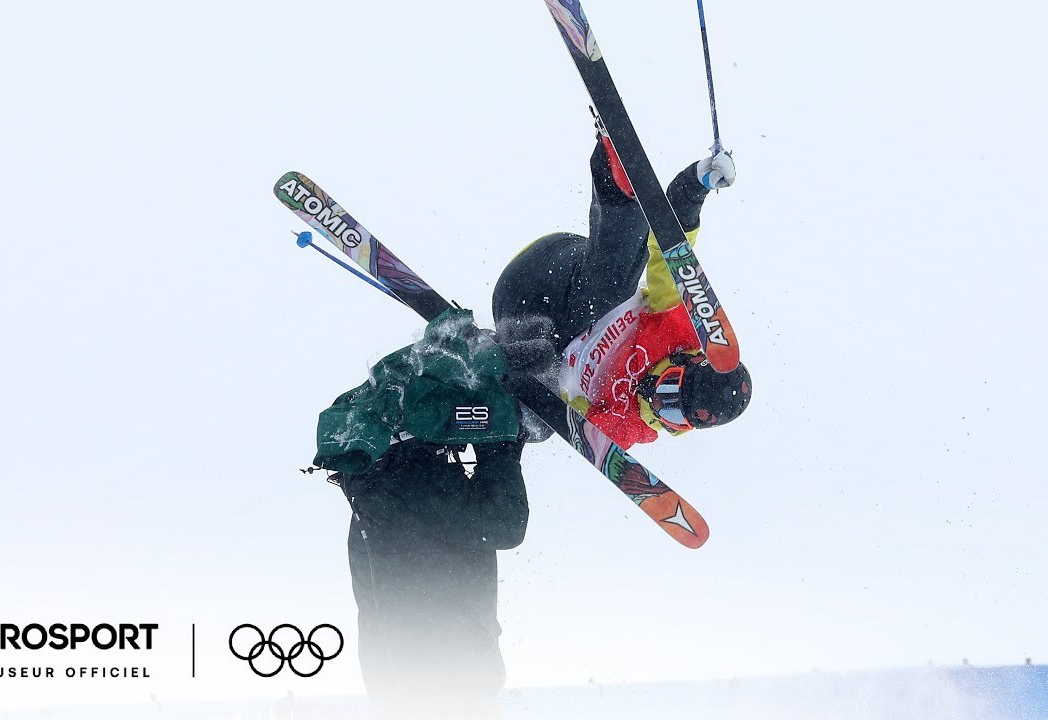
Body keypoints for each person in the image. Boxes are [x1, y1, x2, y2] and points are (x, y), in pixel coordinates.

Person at [313, 310, 531, 719]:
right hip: (388, 484)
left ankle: (469, 374)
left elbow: (501, 525)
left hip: (394, 483)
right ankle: (471, 377)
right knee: (501, 522)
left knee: (503, 522)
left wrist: (504, 435)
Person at [492, 119, 751, 449]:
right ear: (686, 362)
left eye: (670, 414)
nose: (658, 403)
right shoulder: (679, 328)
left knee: (540, 416)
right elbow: (670, 246)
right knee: (614, 285)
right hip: (549, 277)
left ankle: (476, 366)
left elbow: (584, 434)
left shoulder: (632, 424)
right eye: (669, 390)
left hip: (522, 321)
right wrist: (694, 186)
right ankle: (616, 172)